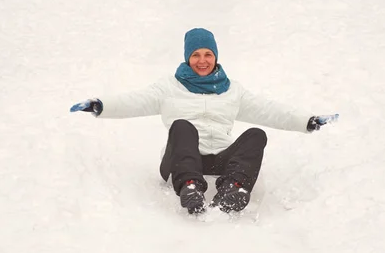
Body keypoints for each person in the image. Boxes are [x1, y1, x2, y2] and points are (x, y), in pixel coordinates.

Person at [70, 28, 337, 214]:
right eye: (196, 55)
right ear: (188, 57)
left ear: (216, 57)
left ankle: (233, 188)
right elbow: (134, 100)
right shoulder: (169, 87)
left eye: (208, 55)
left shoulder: (232, 90)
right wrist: (100, 105)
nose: (202, 60)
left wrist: (307, 121)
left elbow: (269, 110)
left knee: (256, 134)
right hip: (181, 161)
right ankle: (190, 188)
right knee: (182, 127)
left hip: (219, 158)